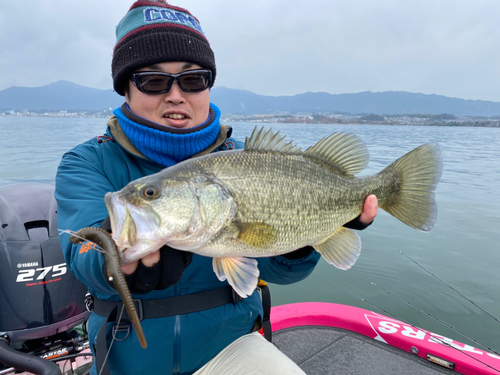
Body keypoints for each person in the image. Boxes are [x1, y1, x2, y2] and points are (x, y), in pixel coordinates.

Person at [55, 1, 378, 374]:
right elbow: (84, 254)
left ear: (208, 85)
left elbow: (283, 272)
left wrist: (306, 236)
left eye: (192, 80)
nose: (176, 95)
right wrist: (117, 264)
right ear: (125, 89)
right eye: (154, 81)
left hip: (232, 345)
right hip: (126, 355)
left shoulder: (250, 159)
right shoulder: (87, 162)